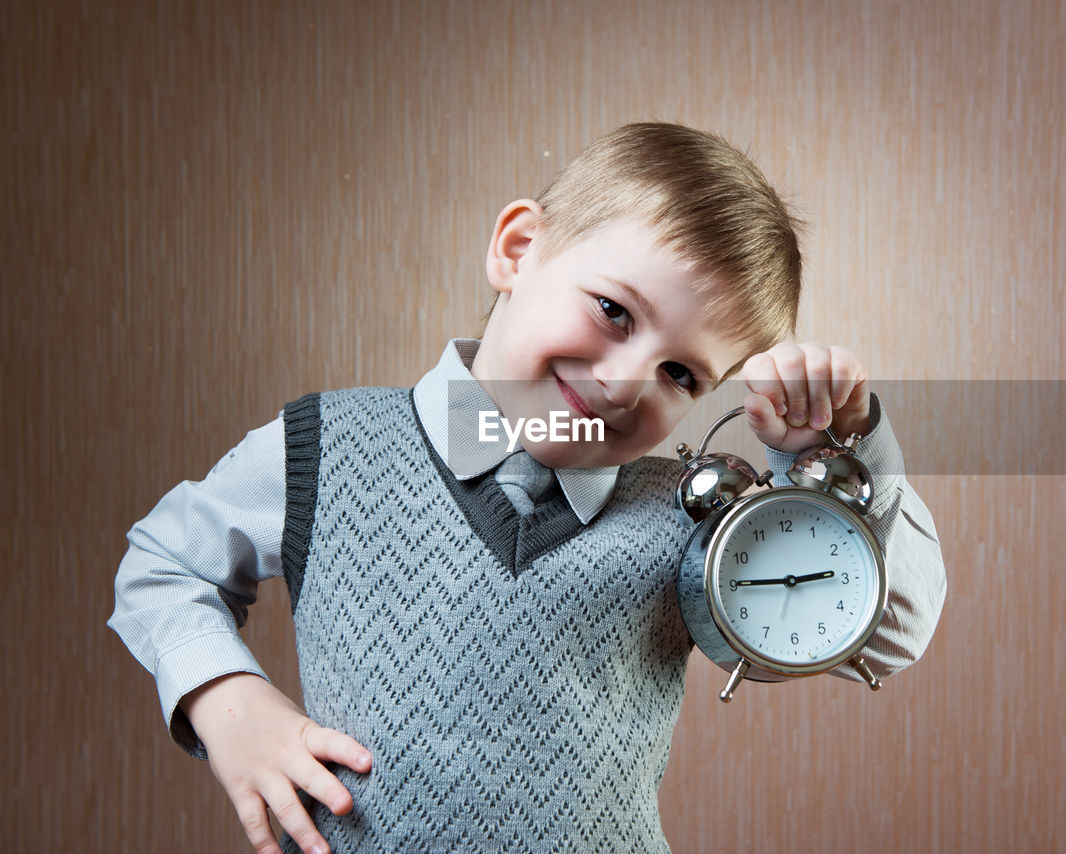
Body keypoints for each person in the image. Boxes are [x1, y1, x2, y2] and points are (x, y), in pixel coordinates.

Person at [110, 123, 946, 854]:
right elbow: (163, 565)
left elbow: (891, 630)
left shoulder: (697, 524)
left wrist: (840, 450)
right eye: (615, 312)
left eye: (682, 373)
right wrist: (227, 702)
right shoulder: (325, 449)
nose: (624, 383)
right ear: (517, 250)